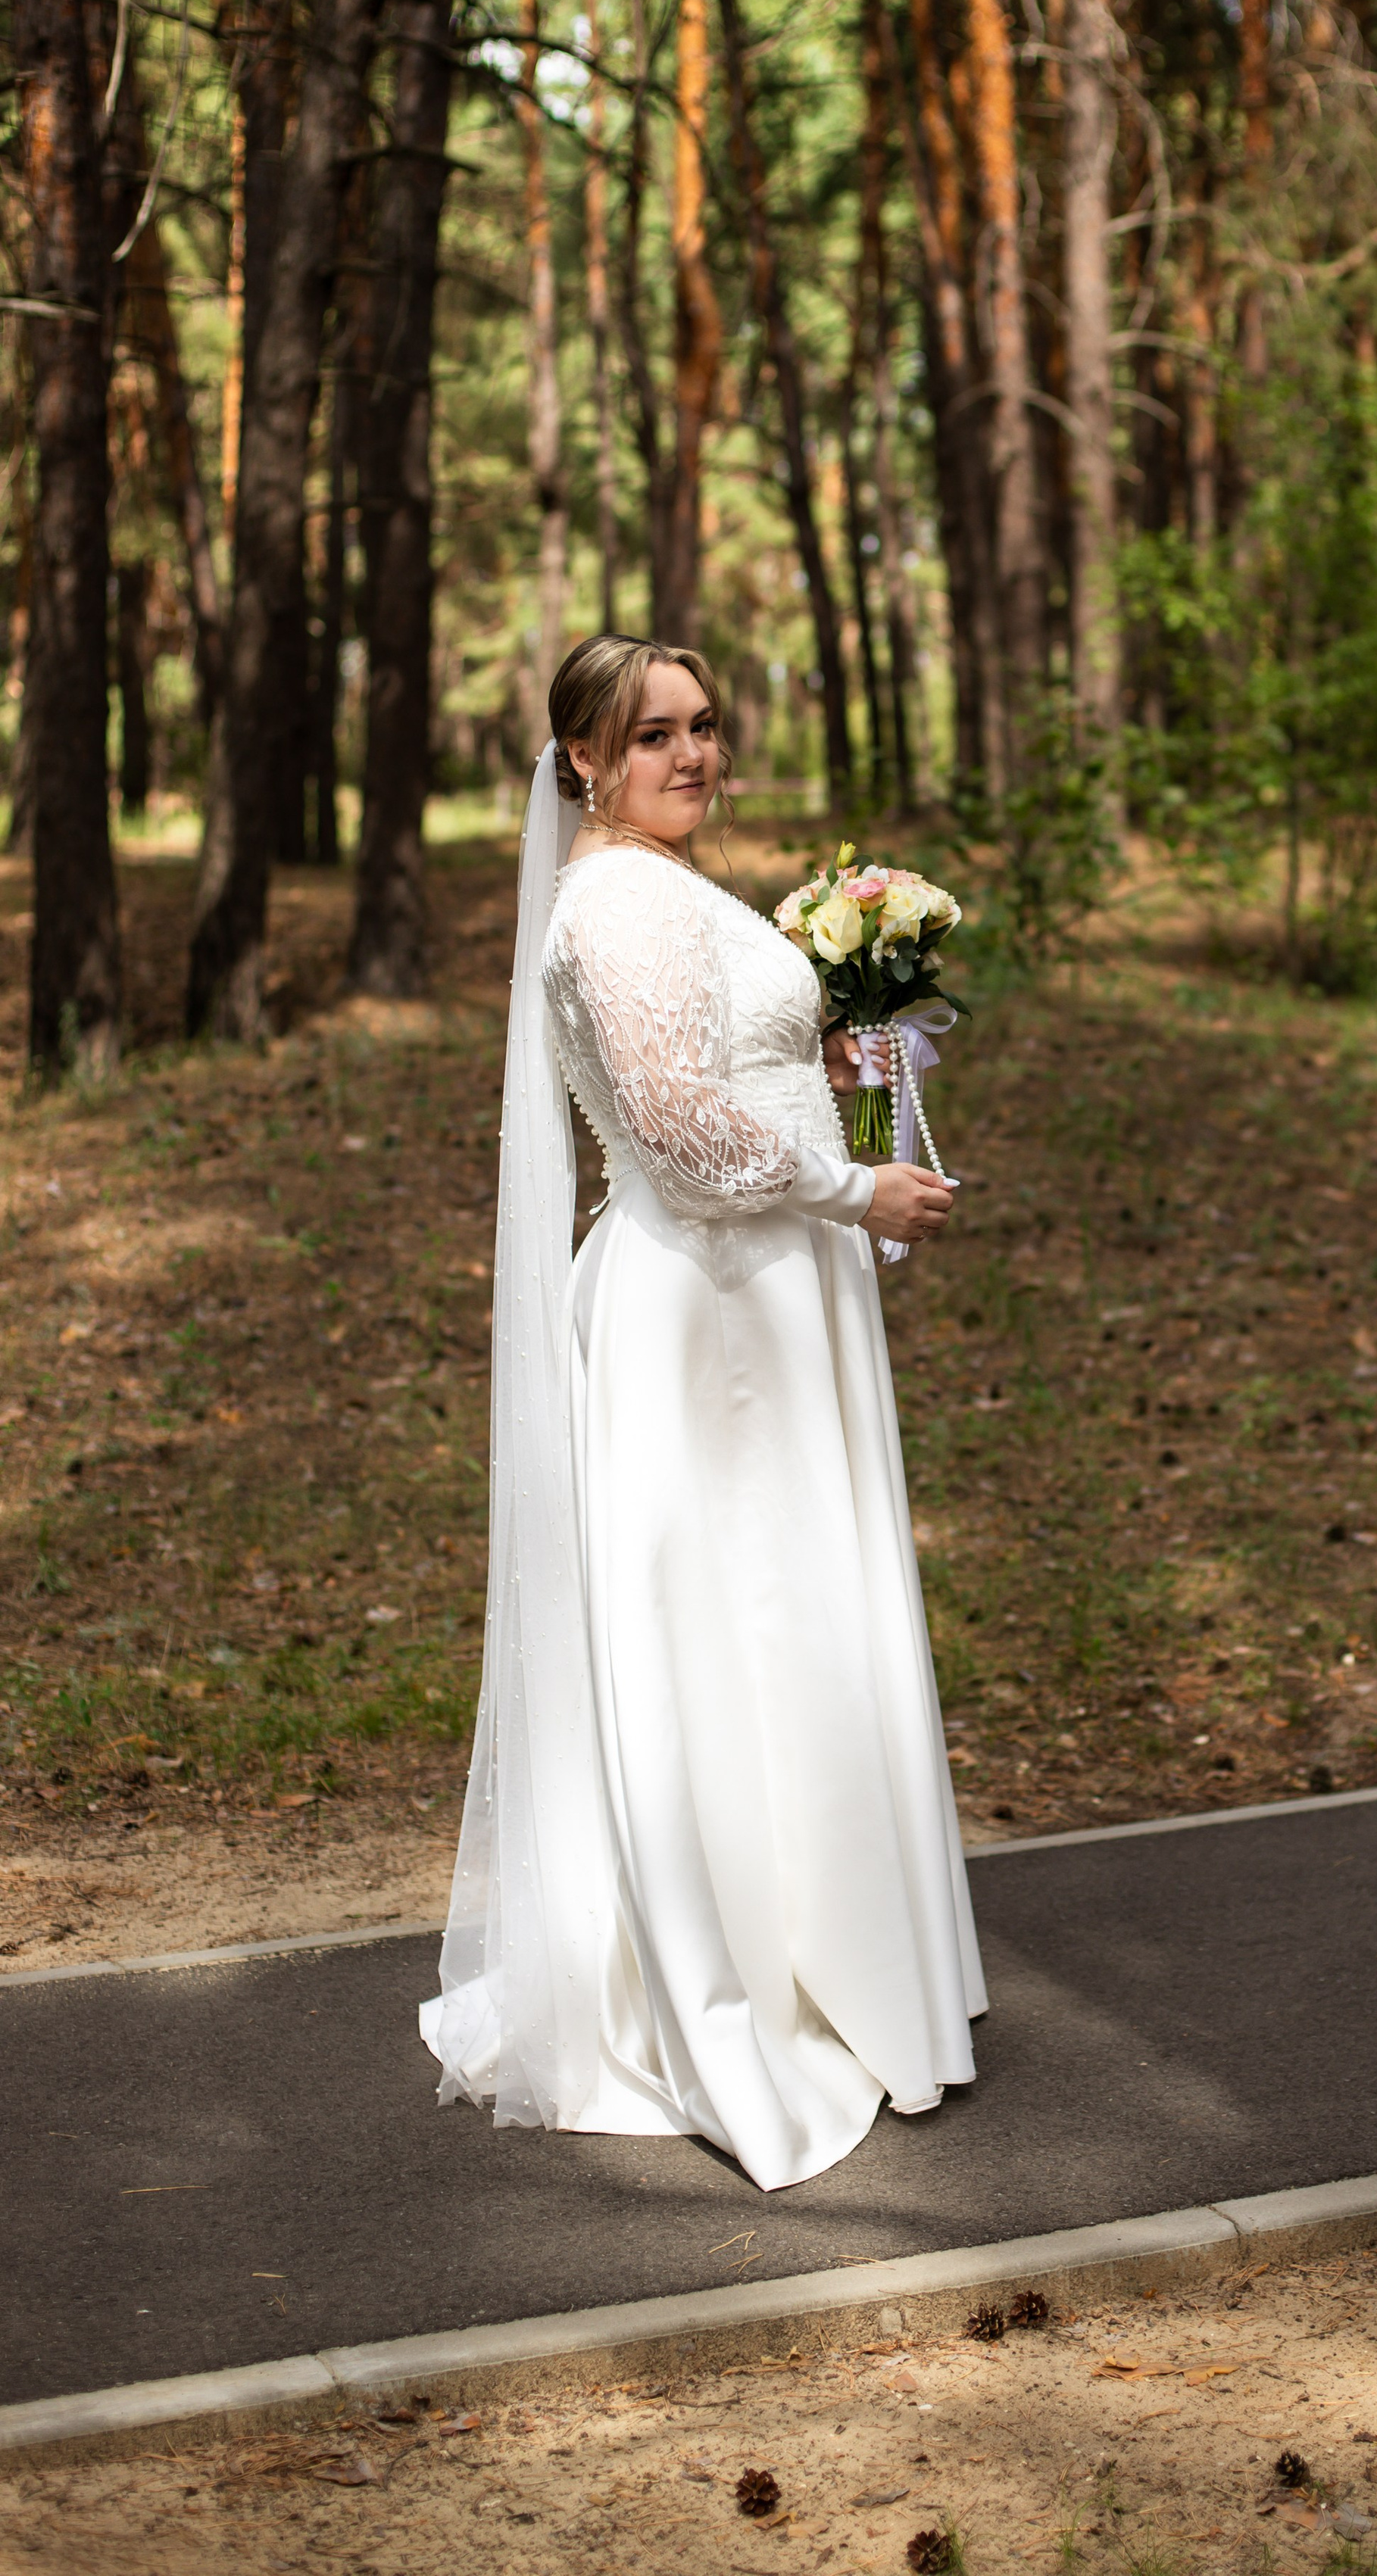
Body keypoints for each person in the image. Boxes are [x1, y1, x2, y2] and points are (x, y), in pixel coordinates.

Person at [419, 635, 985, 2189]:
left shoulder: (668, 887)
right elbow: (671, 1127)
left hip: (770, 1288)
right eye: (652, 733)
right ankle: (732, 1982)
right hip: (706, 1302)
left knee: (794, 1613)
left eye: (705, 726)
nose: (690, 755)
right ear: (584, 758)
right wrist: (850, 1186)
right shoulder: (610, 901)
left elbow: (720, 1060)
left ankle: (830, 1944)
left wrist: (831, 1052)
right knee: (733, 1623)